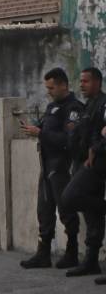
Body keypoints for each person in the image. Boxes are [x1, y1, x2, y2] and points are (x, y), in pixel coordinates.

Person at [20, 68, 84, 269]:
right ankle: (43, 253)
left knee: (66, 209)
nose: (49, 91)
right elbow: (45, 130)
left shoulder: (74, 109)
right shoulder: (51, 107)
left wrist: (40, 133)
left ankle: (72, 252)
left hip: (62, 166)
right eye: (47, 88)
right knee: (44, 209)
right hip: (47, 164)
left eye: (51, 87)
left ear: (63, 85)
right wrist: (35, 130)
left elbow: (68, 141)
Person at [60, 67, 106, 277]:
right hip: (82, 162)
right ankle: (91, 260)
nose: (82, 85)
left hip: (95, 164)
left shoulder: (103, 104)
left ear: (97, 82)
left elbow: (101, 134)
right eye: (81, 81)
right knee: (92, 215)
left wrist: (94, 150)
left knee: (69, 199)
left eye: (86, 81)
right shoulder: (88, 106)